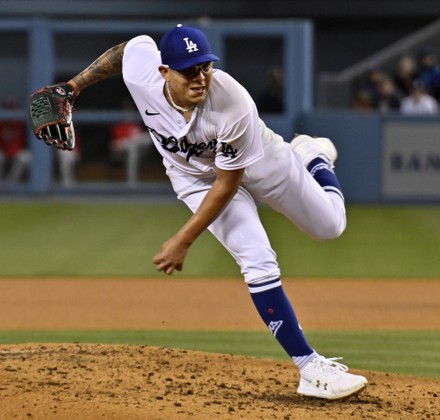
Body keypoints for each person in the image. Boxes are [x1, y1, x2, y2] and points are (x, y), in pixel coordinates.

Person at [33, 24, 367, 400]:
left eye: (205, 66)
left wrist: (183, 239)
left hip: (258, 160)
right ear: (164, 72)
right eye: (189, 70)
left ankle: (311, 155)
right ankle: (310, 368)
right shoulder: (144, 71)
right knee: (257, 259)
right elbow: (124, 52)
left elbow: (228, 183)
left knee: (330, 227)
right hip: (195, 179)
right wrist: (74, 87)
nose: (200, 77)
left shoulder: (233, 102)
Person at [110, 98, 152, 187]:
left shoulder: (136, 124)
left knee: (147, 137)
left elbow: (140, 138)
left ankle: (132, 181)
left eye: (130, 109)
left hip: (138, 148)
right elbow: (115, 144)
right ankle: (131, 182)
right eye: (126, 109)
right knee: (132, 147)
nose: (128, 112)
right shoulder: (119, 125)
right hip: (123, 150)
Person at [0, 96, 32, 183]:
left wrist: (12, 152)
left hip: (18, 152)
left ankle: (12, 182)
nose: (10, 111)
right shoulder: (1, 123)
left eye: (12, 108)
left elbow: (25, 143)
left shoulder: (21, 123)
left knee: (24, 157)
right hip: (4, 152)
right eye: (8, 108)